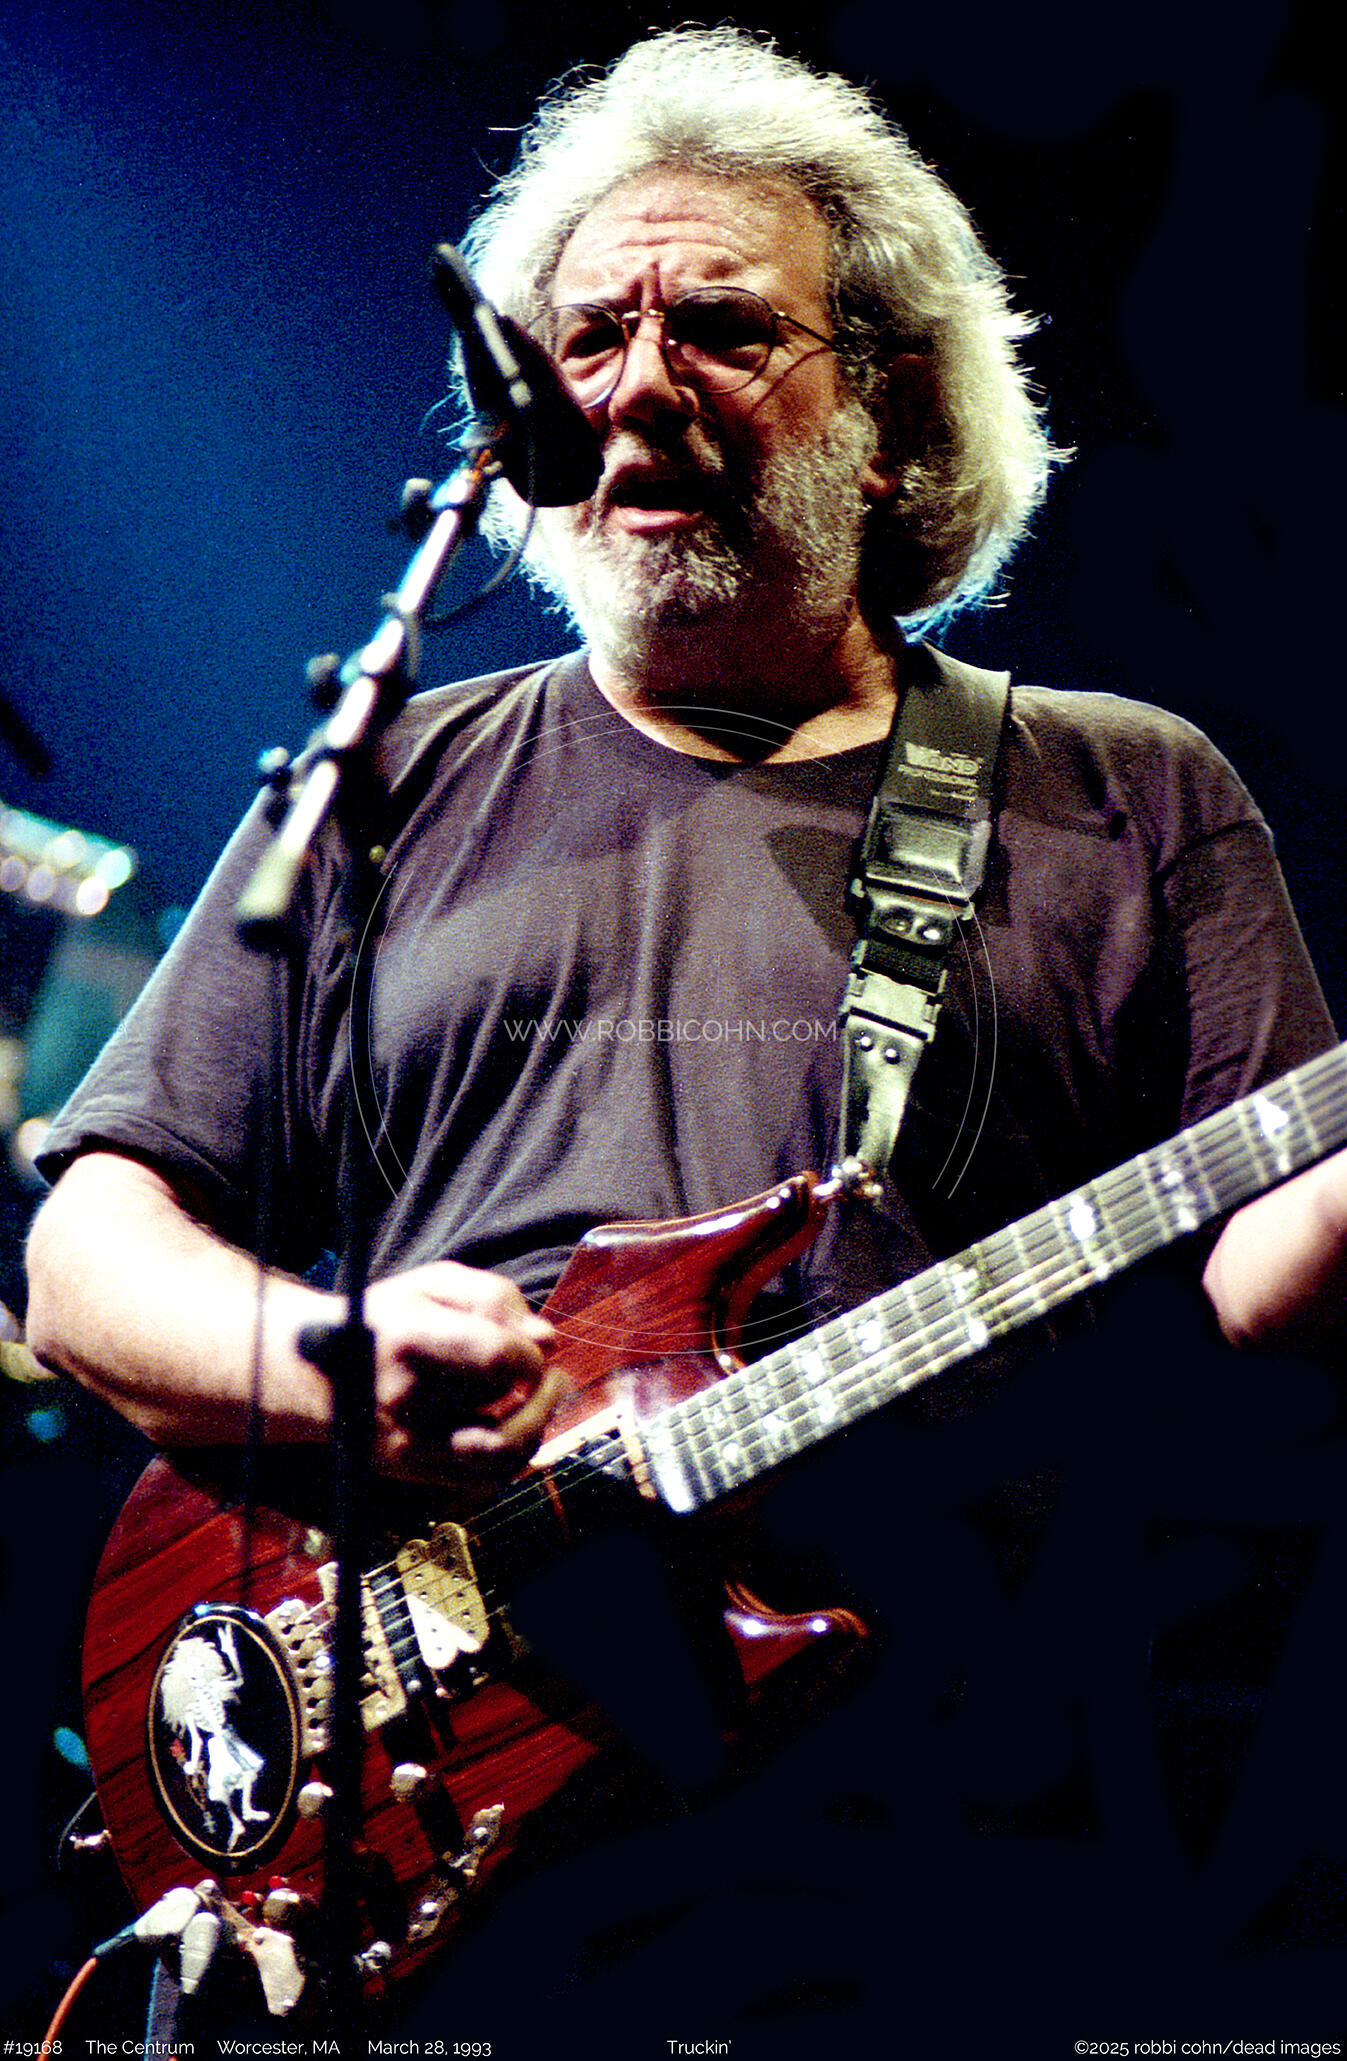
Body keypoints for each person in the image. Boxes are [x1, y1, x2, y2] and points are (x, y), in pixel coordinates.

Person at [19, 24, 1347, 2022]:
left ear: (888, 419)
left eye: (722, 330)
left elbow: (1260, 1279)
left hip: (945, 1834)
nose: (639, 383)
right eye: (587, 339)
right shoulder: (389, 777)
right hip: (428, 1827)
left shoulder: (1118, 787)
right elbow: (87, 1253)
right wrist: (324, 1365)